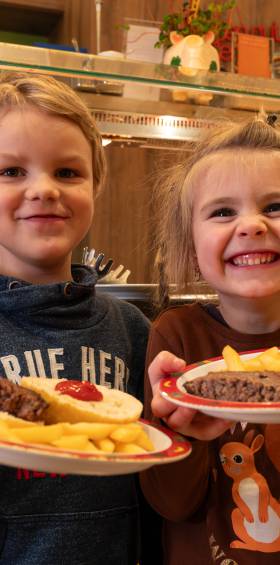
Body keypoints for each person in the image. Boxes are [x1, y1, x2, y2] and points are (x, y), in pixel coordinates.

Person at [0, 70, 151, 565]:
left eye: (67, 172)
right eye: (11, 172)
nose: (44, 190)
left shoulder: (133, 331)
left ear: (97, 184)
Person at [140, 114, 280, 564]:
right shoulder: (176, 337)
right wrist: (176, 431)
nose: (253, 225)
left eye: (275, 207)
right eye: (223, 212)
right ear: (189, 248)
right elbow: (174, 506)